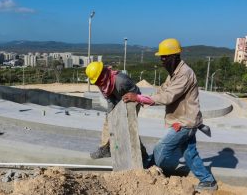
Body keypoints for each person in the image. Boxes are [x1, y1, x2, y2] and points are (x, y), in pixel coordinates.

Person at [122, 38, 217, 191]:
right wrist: (141, 99)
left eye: (164, 57)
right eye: (161, 57)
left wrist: (139, 98)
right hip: (186, 120)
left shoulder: (184, 74)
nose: (162, 60)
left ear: (174, 56)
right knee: (189, 154)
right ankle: (208, 181)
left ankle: (152, 174)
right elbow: (162, 91)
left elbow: (168, 97)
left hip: (185, 122)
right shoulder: (174, 73)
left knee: (162, 148)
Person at [85, 61, 148, 161]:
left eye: (97, 80)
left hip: (132, 101)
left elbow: (136, 93)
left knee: (127, 127)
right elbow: (109, 99)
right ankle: (105, 149)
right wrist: (111, 115)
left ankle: (141, 153)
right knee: (108, 120)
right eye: (95, 81)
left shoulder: (121, 81)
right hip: (118, 100)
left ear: (103, 74)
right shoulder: (103, 83)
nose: (97, 83)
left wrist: (126, 107)